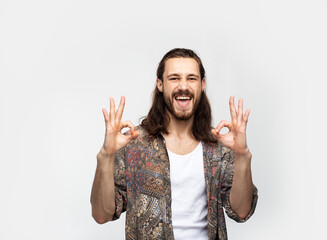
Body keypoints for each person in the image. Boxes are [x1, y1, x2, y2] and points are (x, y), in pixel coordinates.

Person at [90, 48, 258, 240]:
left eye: (192, 78)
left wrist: (242, 155)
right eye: (174, 78)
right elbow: (101, 215)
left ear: (202, 84)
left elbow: (241, 211)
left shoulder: (219, 147)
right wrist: (105, 156)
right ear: (160, 84)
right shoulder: (134, 144)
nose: (183, 86)